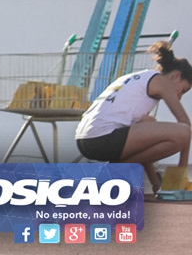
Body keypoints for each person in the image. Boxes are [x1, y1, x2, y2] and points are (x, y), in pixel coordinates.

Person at [75, 41, 192, 195]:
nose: (179, 96)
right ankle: (174, 183)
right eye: (183, 90)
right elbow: (185, 124)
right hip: (103, 137)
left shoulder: (138, 77)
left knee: (150, 123)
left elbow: (146, 144)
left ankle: (156, 183)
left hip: (85, 139)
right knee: (183, 132)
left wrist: (156, 185)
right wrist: (179, 175)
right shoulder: (161, 82)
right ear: (176, 75)